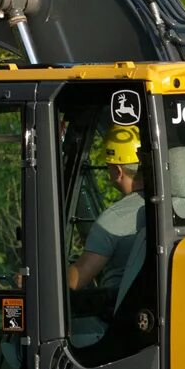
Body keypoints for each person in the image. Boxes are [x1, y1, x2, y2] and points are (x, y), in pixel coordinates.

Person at [68, 124, 147, 294]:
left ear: (118, 171)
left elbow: (75, 281)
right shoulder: (184, 209)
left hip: (118, 314)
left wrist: (35, 280)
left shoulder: (115, 219)